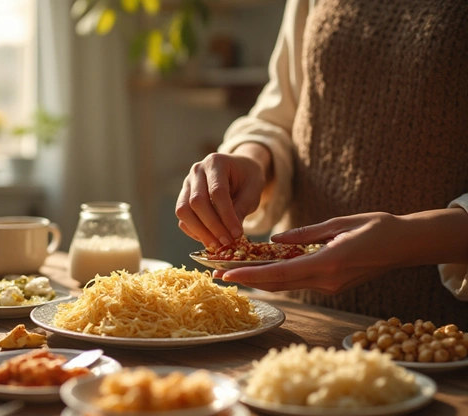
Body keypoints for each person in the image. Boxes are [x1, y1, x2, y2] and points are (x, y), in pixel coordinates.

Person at [175, 0, 468, 326]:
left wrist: (408, 241)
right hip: (299, 319)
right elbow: (284, 113)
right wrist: (252, 157)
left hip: (442, 334)